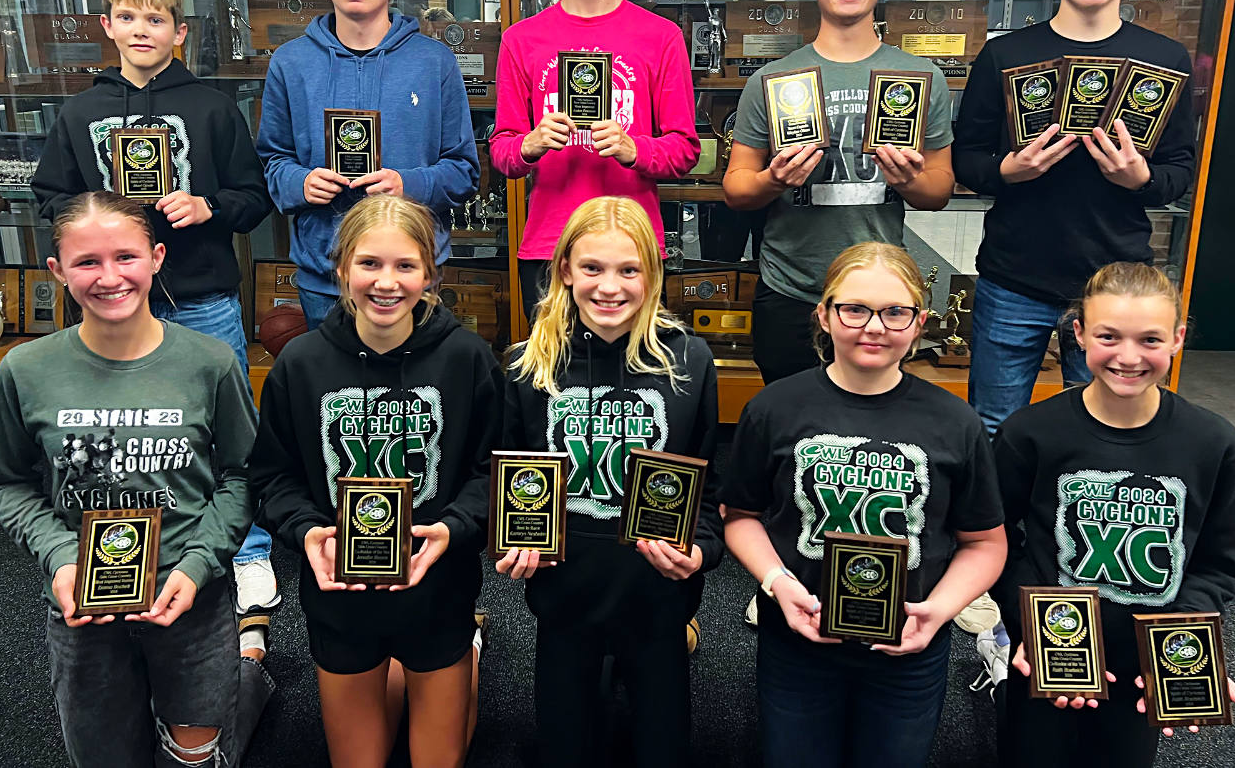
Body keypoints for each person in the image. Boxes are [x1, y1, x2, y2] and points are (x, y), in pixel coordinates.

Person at [30, 0, 280, 651]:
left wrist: (208, 206)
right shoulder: (79, 113)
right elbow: (49, 197)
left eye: (157, 20)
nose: (143, 31)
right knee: (128, 432)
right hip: (110, 306)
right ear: (106, 25)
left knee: (228, 434)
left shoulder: (212, 108)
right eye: (129, 19)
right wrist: (99, 218)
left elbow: (254, 196)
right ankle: (134, 544)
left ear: (179, 30)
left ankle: (249, 550)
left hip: (201, 296)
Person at [0, 192, 258, 768]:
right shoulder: (27, 369)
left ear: (157, 257)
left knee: (197, 756)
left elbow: (242, 475)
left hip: (191, 598)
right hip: (83, 608)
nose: (110, 278)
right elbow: (6, 482)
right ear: (55, 271)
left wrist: (200, 562)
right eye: (86, 262)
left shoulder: (210, 362)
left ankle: (251, 679)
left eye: (126, 257)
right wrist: (60, 557)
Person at [722, 242, 1006, 766]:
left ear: (919, 322)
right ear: (824, 316)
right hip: (797, 640)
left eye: (895, 312)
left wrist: (938, 611)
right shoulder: (773, 409)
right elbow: (740, 517)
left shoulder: (955, 422)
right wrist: (777, 583)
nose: (874, 327)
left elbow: (985, 543)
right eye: (855, 309)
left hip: (910, 645)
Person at [249, 195, 499, 768]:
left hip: (438, 588)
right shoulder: (300, 363)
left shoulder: (466, 358)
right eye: (369, 264)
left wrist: (455, 528)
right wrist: (308, 529)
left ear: (430, 275)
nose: (386, 282)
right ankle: (401, 676)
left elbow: (493, 470)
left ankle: (468, 657)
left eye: (406, 266)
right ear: (339, 269)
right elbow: (274, 475)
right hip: (341, 596)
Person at [952, 0, 1195, 433]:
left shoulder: (1164, 60)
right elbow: (966, 159)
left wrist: (1142, 178)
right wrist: (1006, 172)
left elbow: (1180, 170)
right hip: (1014, 276)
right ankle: (997, 523)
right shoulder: (1005, 55)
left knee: (1103, 427)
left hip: (1116, 283)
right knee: (993, 423)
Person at [497, 196, 721, 768]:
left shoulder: (689, 360)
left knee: (661, 749)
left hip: (657, 600)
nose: (609, 287)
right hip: (564, 596)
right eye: (592, 268)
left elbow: (709, 485)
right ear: (565, 268)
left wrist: (700, 551)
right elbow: (507, 479)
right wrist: (511, 542)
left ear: (653, 273)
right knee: (565, 747)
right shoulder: (529, 365)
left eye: (629, 270)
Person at [993, 262, 1235, 767]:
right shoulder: (1030, 433)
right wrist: (1027, 622)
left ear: (1177, 339)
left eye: (1149, 340)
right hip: (1052, 647)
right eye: (1109, 336)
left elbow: (1218, 564)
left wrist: (1184, 647)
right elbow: (994, 540)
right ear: (1079, 334)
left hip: (1144, 664)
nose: (1128, 357)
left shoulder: (1215, 444)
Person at [723, 0, 954, 386]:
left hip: (878, 295)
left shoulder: (921, 77)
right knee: (789, 430)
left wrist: (909, 180)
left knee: (869, 432)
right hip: (791, 290)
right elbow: (735, 187)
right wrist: (773, 181)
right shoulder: (771, 81)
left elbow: (940, 189)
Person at [491, 0, 699, 322]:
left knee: (635, 385)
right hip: (550, 245)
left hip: (632, 248)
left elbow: (685, 149)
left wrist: (634, 149)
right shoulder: (521, 39)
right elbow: (503, 152)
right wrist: (531, 144)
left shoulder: (661, 37)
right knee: (552, 384)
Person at [258, 0, 478, 331]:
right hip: (325, 273)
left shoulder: (434, 62)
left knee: (415, 393)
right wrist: (300, 184)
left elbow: (463, 170)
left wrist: (406, 184)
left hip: (412, 272)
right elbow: (272, 160)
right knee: (333, 395)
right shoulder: (291, 63)